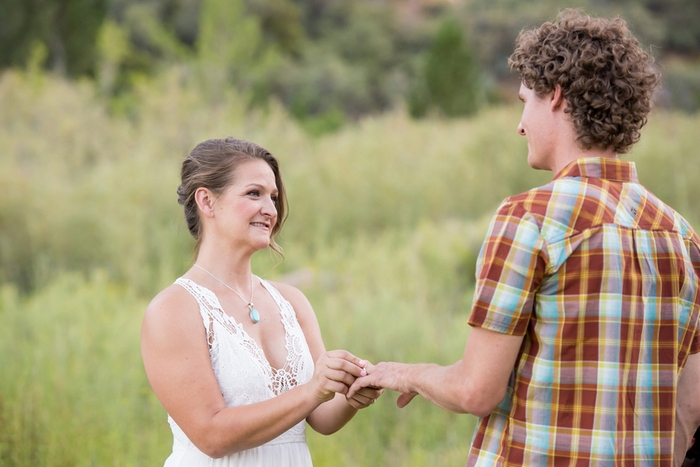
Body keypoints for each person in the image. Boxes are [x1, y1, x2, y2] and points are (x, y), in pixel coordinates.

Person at [348, 8, 700, 466]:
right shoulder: (682, 235)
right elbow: (690, 407)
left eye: (523, 102)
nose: (519, 124)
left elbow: (477, 390)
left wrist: (407, 374)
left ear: (554, 96)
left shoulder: (529, 219)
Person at [141, 137, 382, 466]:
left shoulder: (292, 302)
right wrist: (313, 389)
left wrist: (350, 394)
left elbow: (321, 416)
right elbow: (211, 435)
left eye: (273, 197)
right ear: (207, 202)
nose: (270, 210)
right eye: (254, 193)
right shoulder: (173, 309)